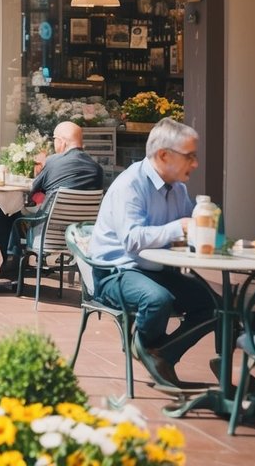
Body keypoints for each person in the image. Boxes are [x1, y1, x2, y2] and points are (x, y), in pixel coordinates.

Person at [89, 118, 215, 388]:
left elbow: (186, 233)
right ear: (164, 155)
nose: (195, 163)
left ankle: (161, 353)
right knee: (157, 299)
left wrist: (205, 235)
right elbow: (132, 239)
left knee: (214, 305)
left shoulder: (178, 188)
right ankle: (147, 346)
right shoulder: (130, 184)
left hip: (156, 271)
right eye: (190, 156)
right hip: (116, 272)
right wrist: (179, 227)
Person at [0, 121, 105, 277]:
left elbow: (32, 190)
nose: (54, 143)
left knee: (7, 214)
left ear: (62, 142)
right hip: (80, 236)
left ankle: (12, 261)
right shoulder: (97, 169)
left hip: (47, 235)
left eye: (55, 139)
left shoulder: (54, 162)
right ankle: (15, 263)